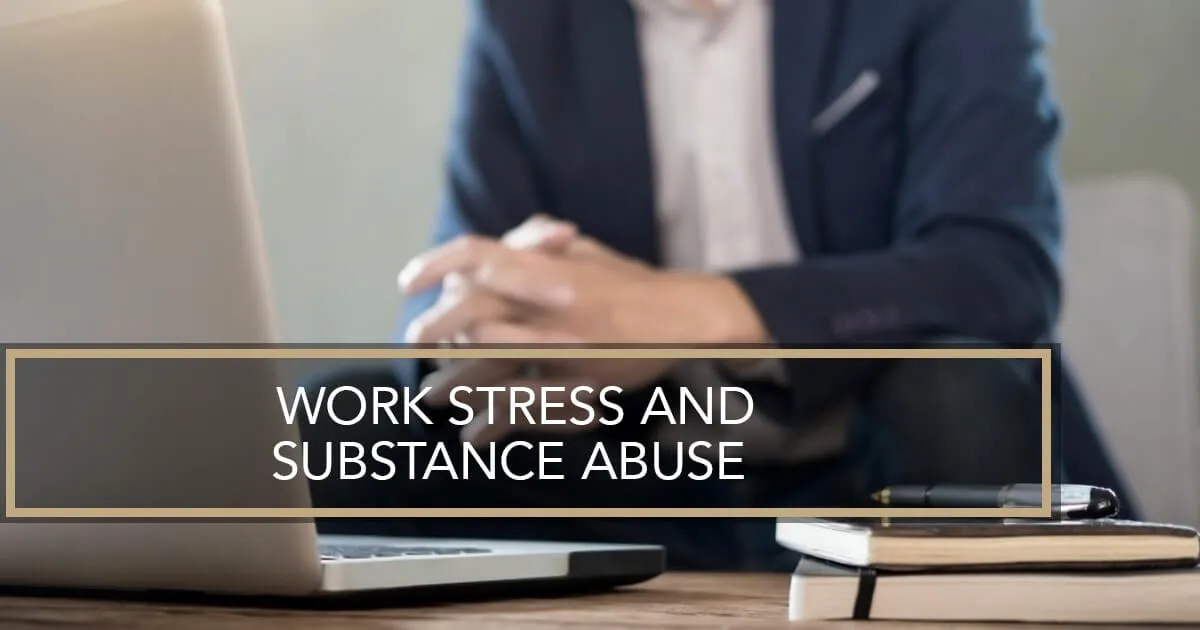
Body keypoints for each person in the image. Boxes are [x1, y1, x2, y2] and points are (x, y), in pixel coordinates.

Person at [304, 0, 1135, 571]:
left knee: (958, 390)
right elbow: (447, 280)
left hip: (876, 463)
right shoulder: (525, 16)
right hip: (637, 473)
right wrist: (505, 327)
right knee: (332, 427)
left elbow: (997, 270)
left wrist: (674, 315)